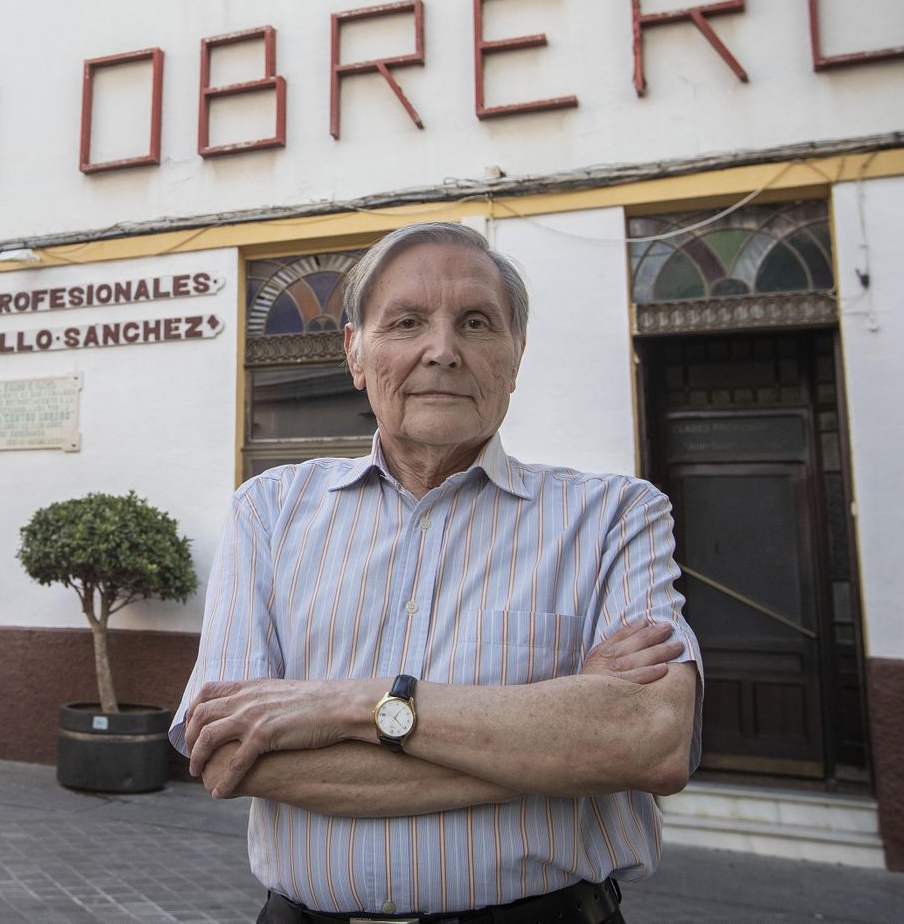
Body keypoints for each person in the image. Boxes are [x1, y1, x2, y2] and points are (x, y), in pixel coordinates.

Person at [172, 221, 701, 924]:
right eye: (407, 322)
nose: (443, 351)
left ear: (515, 357)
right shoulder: (267, 512)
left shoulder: (614, 516)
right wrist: (558, 751)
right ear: (356, 354)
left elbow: (651, 740)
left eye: (477, 323)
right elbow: (233, 753)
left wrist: (353, 707)